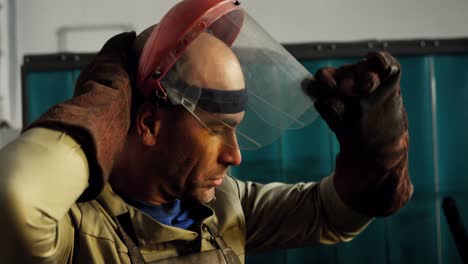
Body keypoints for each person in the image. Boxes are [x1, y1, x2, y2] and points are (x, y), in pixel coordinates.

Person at [0, 0, 413, 263]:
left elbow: (330, 215)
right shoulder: (72, 232)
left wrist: (376, 156)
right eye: (216, 129)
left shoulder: (223, 205)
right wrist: (104, 104)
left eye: (236, 130)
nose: (235, 156)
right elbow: (13, 194)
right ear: (147, 123)